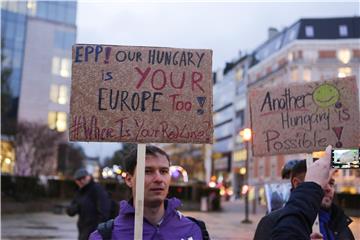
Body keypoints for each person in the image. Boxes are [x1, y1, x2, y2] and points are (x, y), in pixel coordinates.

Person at [89, 145, 209, 240]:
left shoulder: (194, 229)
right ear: (129, 180)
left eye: (163, 171)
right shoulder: (106, 236)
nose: (158, 179)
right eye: (147, 171)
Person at [255, 145, 354, 240]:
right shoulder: (272, 223)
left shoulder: (341, 224)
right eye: (321, 182)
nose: (329, 188)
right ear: (297, 184)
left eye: (331, 183)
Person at [66, 168, 111, 240]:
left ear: (89, 177)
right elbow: (71, 211)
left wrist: (99, 230)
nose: (81, 181)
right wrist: (74, 208)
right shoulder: (80, 192)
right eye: (78, 180)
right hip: (83, 229)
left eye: (83, 178)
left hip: (94, 230)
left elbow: (104, 211)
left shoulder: (97, 189)